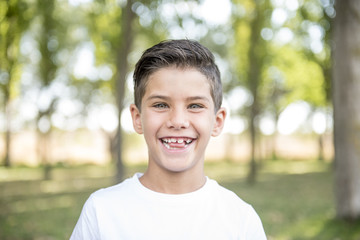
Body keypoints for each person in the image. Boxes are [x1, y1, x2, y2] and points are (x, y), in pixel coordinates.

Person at [70, 39, 267, 240]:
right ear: (137, 118)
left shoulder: (241, 220)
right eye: (161, 105)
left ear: (217, 121)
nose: (178, 121)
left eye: (195, 106)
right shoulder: (101, 212)